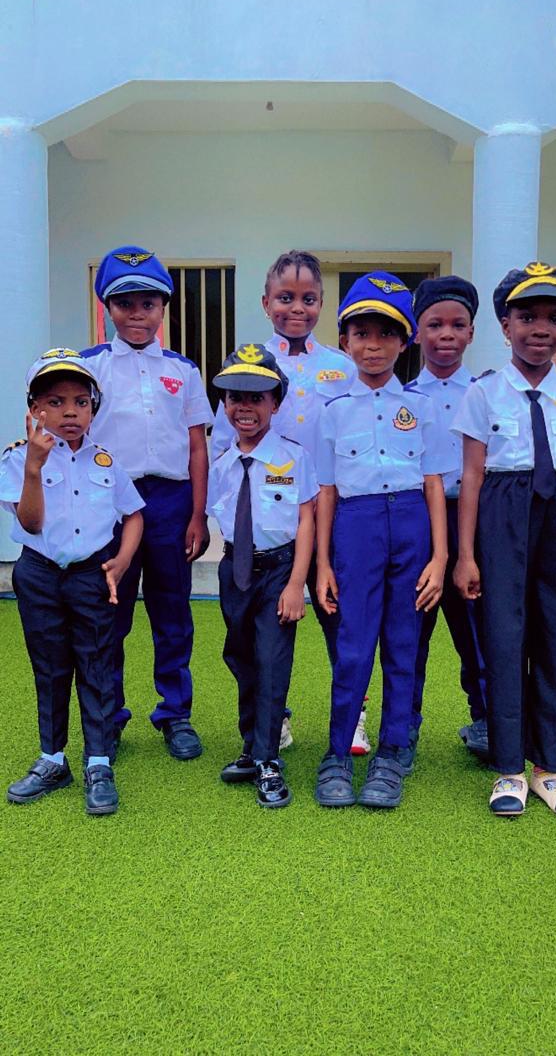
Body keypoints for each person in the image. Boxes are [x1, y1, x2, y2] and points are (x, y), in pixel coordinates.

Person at [453, 262, 556, 816]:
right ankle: (509, 769)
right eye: (527, 317)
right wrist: (465, 555)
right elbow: (472, 476)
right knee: (503, 638)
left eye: (554, 318)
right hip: (502, 514)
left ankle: (549, 769)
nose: (540, 328)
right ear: (505, 325)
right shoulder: (484, 393)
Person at [211, 251, 364, 752]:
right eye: (285, 298)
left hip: (334, 511)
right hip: (277, 518)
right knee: (264, 631)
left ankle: (353, 714)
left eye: (308, 299)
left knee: (340, 618)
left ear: (322, 303)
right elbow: (222, 449)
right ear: (265, 302)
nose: (296, 308)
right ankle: (274, 717)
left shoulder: (341, 368)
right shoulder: (249, 367)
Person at [314, 273, 449, 809]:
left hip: (412, 525)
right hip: (356, 527)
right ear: (344, 340)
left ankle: (392, 754)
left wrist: (440, 557)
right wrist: (322, 563)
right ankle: (337, 755)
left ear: (405, 340)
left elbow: (434, 482)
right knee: (352, 647)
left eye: (386, 333)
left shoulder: (423, 407)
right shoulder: (332, 410)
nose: (374, 345)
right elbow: (326, 491)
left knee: (403, 644)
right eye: (362, 333)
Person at [81, 247, 214, 761]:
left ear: (163, 309)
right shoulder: (89, 367)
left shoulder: (183, 369)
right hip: (110, 503)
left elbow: (197, 445)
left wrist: (197, 514)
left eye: (148, 304)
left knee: (172, 609)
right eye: (125, 304)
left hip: (169, 502)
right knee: (107, 614)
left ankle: (175, 713)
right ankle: (108, 716)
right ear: (108, 308)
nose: (137, 314)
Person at [1, 349, 144, 815]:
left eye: (81, 402)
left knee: (97, 664)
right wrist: (34, 467)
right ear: (34, 409)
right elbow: (31, 522)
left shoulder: (105, 461)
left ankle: (98, 763)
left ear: (93, 409)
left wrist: (122, 560)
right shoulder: (18, 458)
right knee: (50, 666)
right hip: (39, 574)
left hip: (91, 575)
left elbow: (134, 513)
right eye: (55, 402)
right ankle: (52, 758)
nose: (69, 413)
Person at [208, 343, 317, 808]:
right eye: (235, 397)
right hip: (235, 570)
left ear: (276, 402)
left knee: (272, 662)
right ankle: (252, 746)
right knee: (241, 658)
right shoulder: (222, 462)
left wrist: (296, 584)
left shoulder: (294, 457)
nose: (244, 407)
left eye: (256, 397)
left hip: (278, 572)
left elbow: (307, 520)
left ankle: (269, 759)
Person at [408, 276, 488, 758]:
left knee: (476, 627)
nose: (446, 334)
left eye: (458, 325)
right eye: (435, 324)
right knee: (411, 630)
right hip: (416, 521)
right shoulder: (401, 398)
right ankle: (404, 725)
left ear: (472, 333)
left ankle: (486, 720)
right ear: (416, 331)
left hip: (472, 520)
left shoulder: (486, 393)